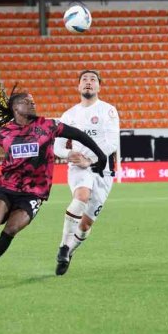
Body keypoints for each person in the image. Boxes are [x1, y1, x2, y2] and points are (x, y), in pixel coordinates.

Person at [0, 85, 108, 285]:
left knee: (11, 230)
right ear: (15, 107)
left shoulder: (47, 125)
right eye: (27, 101)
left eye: (33, 101)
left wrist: (100, 155)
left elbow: (78, 135)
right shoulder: (6, 131)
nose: (33, 103)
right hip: (8, 188)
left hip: (34, 193)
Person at [52, 70, 120, 276]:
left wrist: (90, 159)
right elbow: (57, 146)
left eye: (93, 80)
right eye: (84, 80)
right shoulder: (69, 115)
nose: (88, 83)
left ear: (99, 86)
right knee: (81, 196)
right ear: (78, 87)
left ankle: (70, 251)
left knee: (86, 224)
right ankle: (63, 246)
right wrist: (69, 154)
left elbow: (112, 142)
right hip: (79, 168)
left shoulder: (109, 111)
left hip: (103, 170)